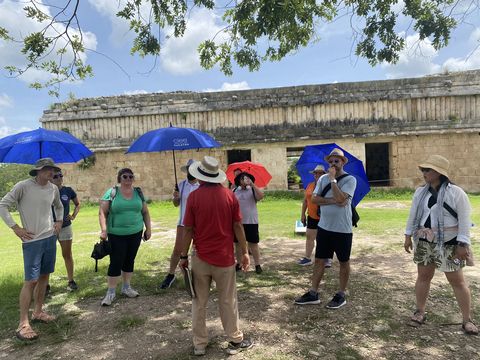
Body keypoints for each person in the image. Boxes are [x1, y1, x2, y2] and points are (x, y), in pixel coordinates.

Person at [178, 156, 253, 356]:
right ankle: (235, 339)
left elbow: (187, 230)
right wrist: (244, 252)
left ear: (201, 176)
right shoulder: (230, 196)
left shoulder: (194, 197)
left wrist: (183, 256)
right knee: (228, 300)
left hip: (200, 257)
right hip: (225, 258)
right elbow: (238, 226)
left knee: (199, 302)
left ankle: (199, 344)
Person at [404, 154, 478, 335]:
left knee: (457, 281)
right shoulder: (420, 192)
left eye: (427, 170)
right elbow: (413, 214)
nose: (424, 173)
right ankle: (420, 311)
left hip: (449, 242)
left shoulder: (456, 193)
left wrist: (463, 244)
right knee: (423, 276)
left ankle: (467, 319)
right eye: (423, 170)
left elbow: (464, 219)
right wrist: (407, 235)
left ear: (438, 172)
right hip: (424, 240)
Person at [0, 158, 63, 341]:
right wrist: (15, 227)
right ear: (38, 170)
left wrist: (58, 221)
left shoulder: (53, 189)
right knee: (31, 280)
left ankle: (38, 312)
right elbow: (2, 205)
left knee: (44, 277)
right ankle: (23, 323)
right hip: (32, 241)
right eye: (47, 169)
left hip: (49, 238)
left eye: (52, 169)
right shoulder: (23, 186)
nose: (51, 172)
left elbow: (58, 206)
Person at [294, 148, 356, 309]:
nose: (333, 163)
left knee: (343, 261)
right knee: (320, 260)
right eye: (331, 161)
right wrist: (333, 200)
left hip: (342, 229)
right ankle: (313, 292)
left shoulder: (350, 180)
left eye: (337, 161)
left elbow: (342, 198)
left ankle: (341, 294)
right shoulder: (322, 179)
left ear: (342, 162)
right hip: (324, 227)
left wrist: (333, 181)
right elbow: (314, 199)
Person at [98, 168, 152, 306]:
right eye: (125, 177)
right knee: (116, 261)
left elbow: (145, 212)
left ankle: (126, 288)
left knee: (129, 260)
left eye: (130, 177)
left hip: (136, 232)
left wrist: (148, 229)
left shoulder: (138, 193)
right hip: (116, 233)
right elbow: (102, 213)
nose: (128, 179)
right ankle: (110, 292)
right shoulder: (112, 192)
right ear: (119, 178)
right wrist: (104, 230)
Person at [159, 159, 199, 289]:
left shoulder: (202, 186)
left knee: (198, 251)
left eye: (192, 168)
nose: (190, 171)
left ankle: (198, 277)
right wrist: (176, 198)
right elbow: (176, 204)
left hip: (199, 224)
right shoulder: (181, 185)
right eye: (188, 168)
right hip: (183, 223)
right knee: (179, 250)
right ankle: (171, 275)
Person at [51, 169, 81, 291]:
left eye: (60, 175)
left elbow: (78, 204)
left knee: (67, 254)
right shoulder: (46, 191)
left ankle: (71, 280)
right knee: (48, 256)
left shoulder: (68, 190)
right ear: (50, 178)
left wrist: (73, 215)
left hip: (65, 226)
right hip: (49, 227)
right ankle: (45, 284)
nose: (58, 178)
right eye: (55, 176)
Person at [298, 164, 332, 268]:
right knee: (309, 237)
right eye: (316, 173)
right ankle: (307, 258)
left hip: (324, 216)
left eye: (320, 173)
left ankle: (327, 259)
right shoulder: (310, 185)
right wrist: (303, 214)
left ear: (324, 174)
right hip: (312, 216)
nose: (317, 174)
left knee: (324, 238)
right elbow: (305, 201)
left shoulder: (328, 186)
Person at [233, 171, 265, 274]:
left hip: (251, 221)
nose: (245, 180)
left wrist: (252, 184)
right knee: (237, 244)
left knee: (253, 244)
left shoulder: (252, 190)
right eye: (243, 178)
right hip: (238, 223)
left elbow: (261, 196)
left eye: (247, 178)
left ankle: (257, 265)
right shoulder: (234, 191)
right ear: (239, 181)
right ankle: (239, 264)